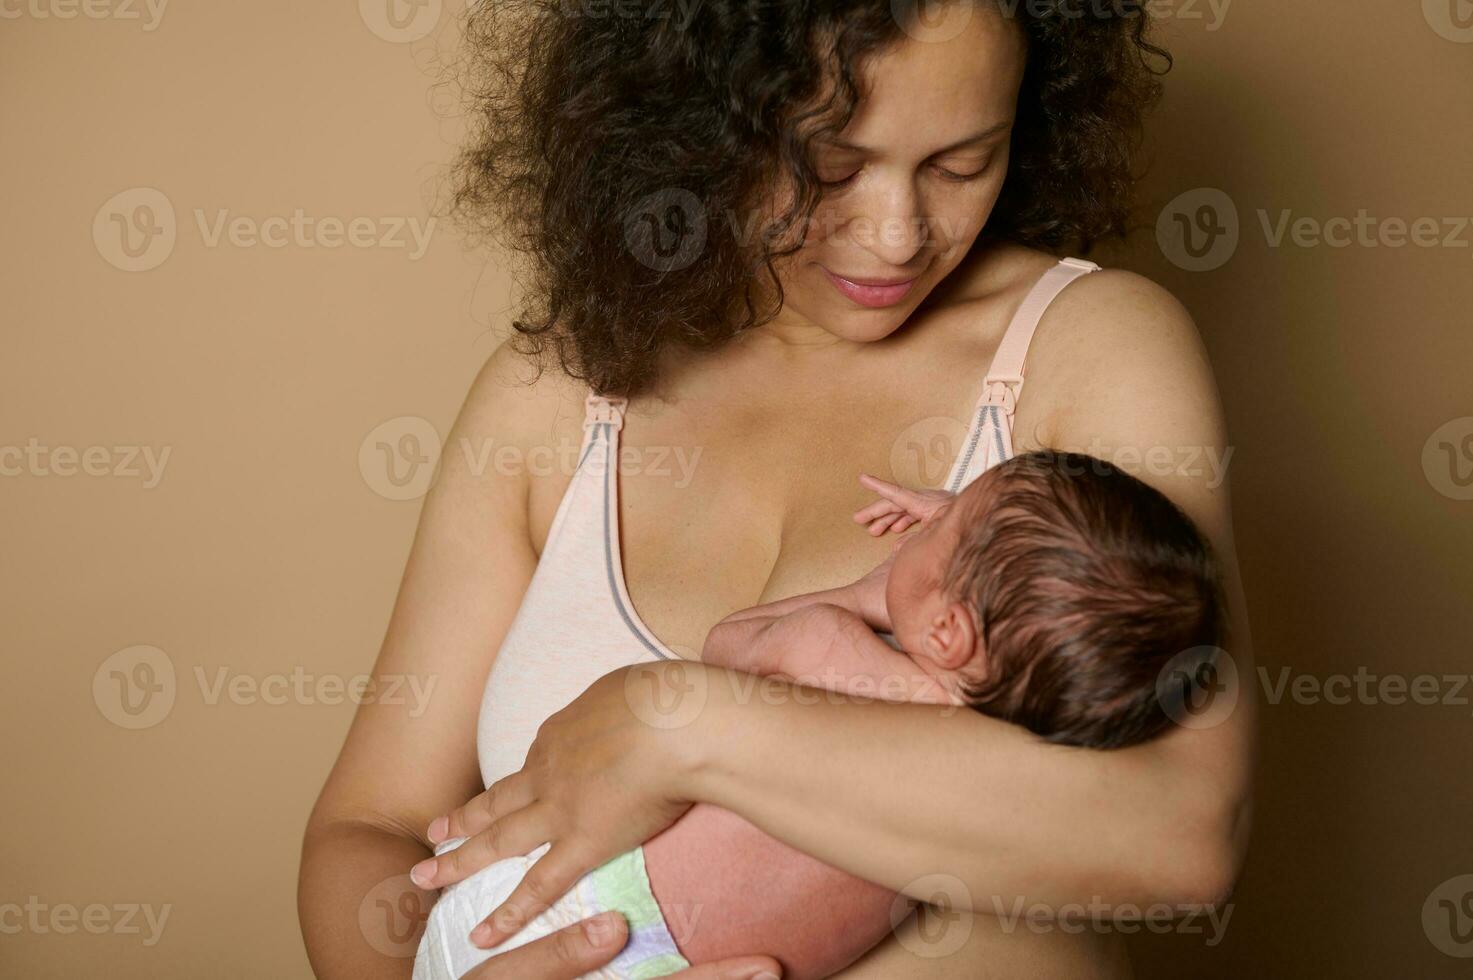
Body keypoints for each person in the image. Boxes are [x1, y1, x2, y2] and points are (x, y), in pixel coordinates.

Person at [299, 1, 1255, 977]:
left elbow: (1179, 832)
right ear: (699, 125)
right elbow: (371, 825)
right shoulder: (556, 390)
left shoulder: (1088, 346)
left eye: (964, 161)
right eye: (830, 169)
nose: (896, 234)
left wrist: (685, 725)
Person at [412, 453, 1226, 978]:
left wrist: (874, 590)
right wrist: (947, 561)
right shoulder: (1008, 771)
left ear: (948, 629)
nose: (926, 517)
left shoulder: (828, 650)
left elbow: (727, 645)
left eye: (942, 522)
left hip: (571, 906)